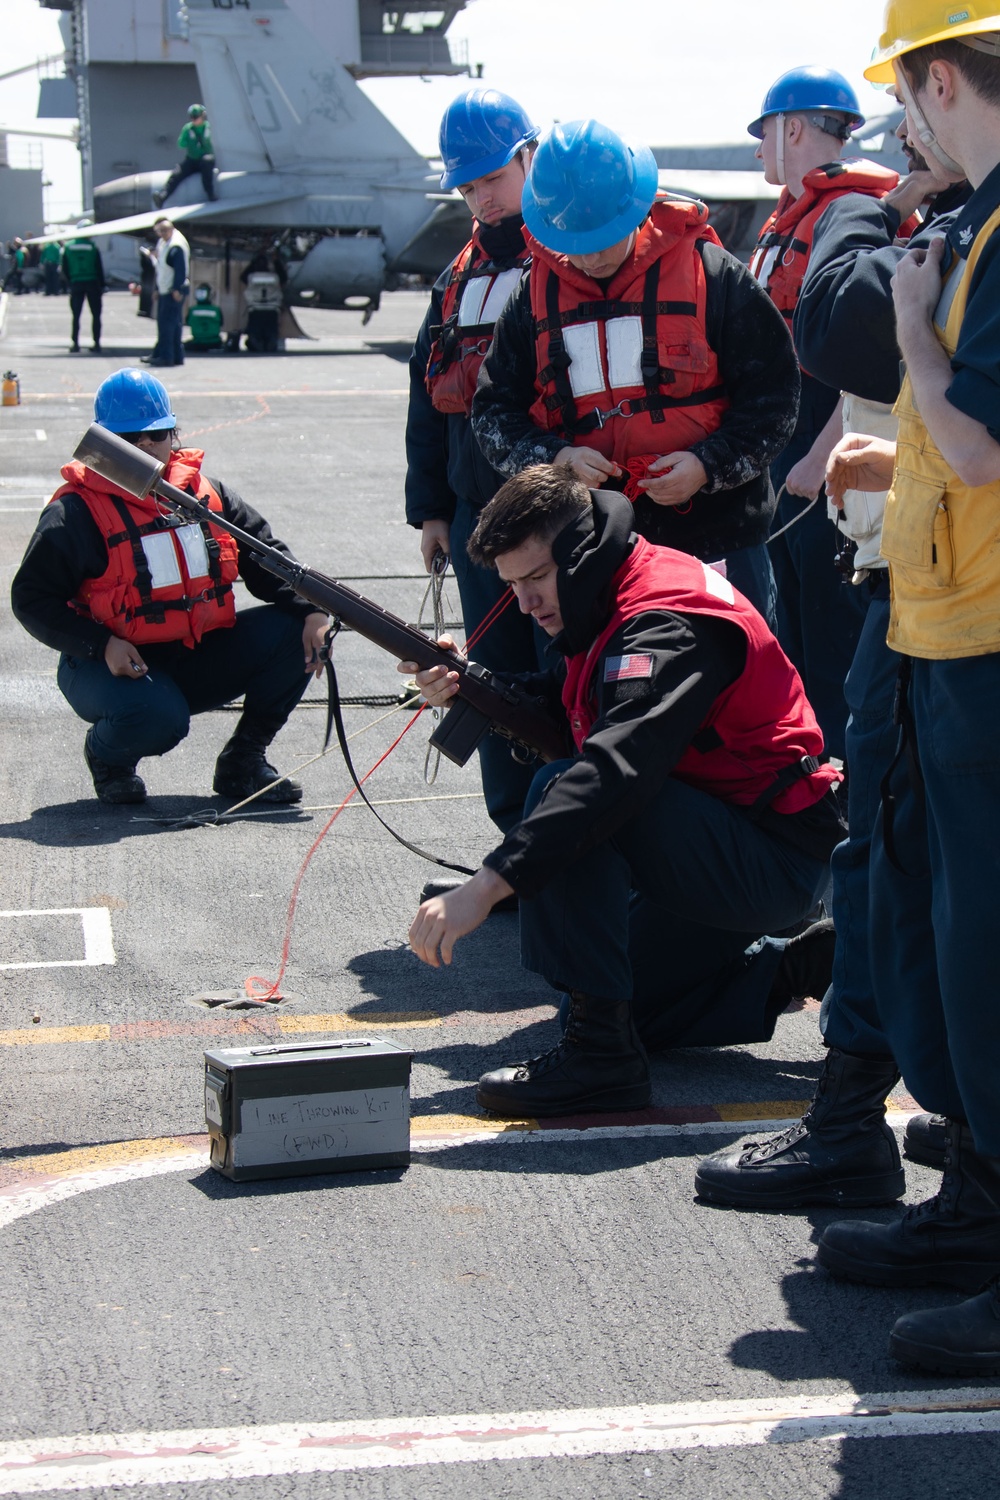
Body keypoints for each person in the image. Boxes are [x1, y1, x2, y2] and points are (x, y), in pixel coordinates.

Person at [695, 108, 970, 1213]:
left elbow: (841, 319)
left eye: (914, 119)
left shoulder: (943, 226)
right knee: (908, 867)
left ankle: (869, 1126)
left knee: (895, 866)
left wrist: (859, 197)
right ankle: (941, 1120)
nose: (904, 147)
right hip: (922, 588)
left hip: (945, 610)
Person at [402, 465, 844, 1120]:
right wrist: (473, 685)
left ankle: (600, 1067)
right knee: (610, 998)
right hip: (723, 840)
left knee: (565, 790)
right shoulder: (615, 581)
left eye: (535, 578)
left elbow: (615, 769)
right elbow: (572, 704)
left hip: (770, 857)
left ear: (579, 554)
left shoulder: (666, 624)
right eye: (511, 585)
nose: (524, 604)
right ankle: (800, 968)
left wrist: (487, 886)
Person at [795, 1, 1000, 1378]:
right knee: (943, 943)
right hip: (941, 626)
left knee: (984, 953)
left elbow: (978, 446)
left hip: (983, 639)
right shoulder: (977, 218)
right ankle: (980, 1209)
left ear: (938, 79)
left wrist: (918, 331)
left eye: (910, 99)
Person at [471, 119, 802, 628]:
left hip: (716, 538)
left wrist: (707, 466)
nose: (591, 255)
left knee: (735, 684)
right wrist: (555, 460)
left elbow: (774, 399)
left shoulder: (713, 275)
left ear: (636, 208)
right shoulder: (532, 297)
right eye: (574, 241)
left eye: (604, 236)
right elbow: (493, 411)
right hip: (588, 548)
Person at [10, 369, 330, 808]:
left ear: (173, 435)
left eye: (156, 434)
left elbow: (268, 558)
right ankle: (109, 759)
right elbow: (31, 598)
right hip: (108, 663)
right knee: (157, 718)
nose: (143, 446)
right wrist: (101, 644)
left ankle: (243, 761)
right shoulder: (75, 512)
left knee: (295, 631)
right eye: (127, 436)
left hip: (194, 651)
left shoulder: (208, 496)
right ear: (102, 441)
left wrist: (311, 610)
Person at [746, 66, 920, 761]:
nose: (760, 151)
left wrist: (820, 457)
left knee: (831, 637)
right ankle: (809, 778)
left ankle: (843, 789)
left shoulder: (854, 213)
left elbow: (867, 355)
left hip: (822, 457)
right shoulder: (791, 215)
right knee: (792, 629)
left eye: (764, 135)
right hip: (781, 455)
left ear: (790, 128)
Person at [405, 87, 547, 853]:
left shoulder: (568, 252)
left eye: (492, 178)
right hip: (472, 515)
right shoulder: (455, 275)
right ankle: (514, 838)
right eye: (467, 186)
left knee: (566, 673)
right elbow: (426, 397)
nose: (481, 199)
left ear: (530, 158)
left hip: (555, 519)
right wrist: (431, 509)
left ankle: (571, 837)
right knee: (488, 680)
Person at [143, 218, 189, 368]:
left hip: (172, 291)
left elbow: (180, 269)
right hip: (165, 289)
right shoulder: (164, 242)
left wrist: (176, 289)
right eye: (159, 231)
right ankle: (175, 356)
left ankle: (166, 357)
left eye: (163, 231)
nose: (161, 234)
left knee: (167, 325)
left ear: (170, 229)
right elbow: (161, 268)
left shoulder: (176, 246)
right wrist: (157, 288)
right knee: (173, 325)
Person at [157, 104, 216, 205]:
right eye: (192, 117)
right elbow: (180, 144)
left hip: (206, 160)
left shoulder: (209, 127)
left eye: (196, 117)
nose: (194, 120)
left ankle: (210, 194)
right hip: (192, 160)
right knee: (177, 173)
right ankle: (163, 195)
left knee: (206, 164)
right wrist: (189, 140)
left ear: (202, 116)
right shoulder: (188, 129)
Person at [61, 234, 105, 354]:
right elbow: (99, 266)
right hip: (92, 282)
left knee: (76, 315)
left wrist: (70, 281)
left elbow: (64, 267)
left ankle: (75, 343)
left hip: (76, 283)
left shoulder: (68, 247)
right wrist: (102, 285)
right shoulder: (92, 247)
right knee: (96, 314)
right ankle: (97, 343)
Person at [186, 283, 224, 350]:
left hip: (197, 342)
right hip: (214, 342)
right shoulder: (216, 310)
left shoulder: (192, 310)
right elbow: (221, 323)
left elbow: (188, 323)